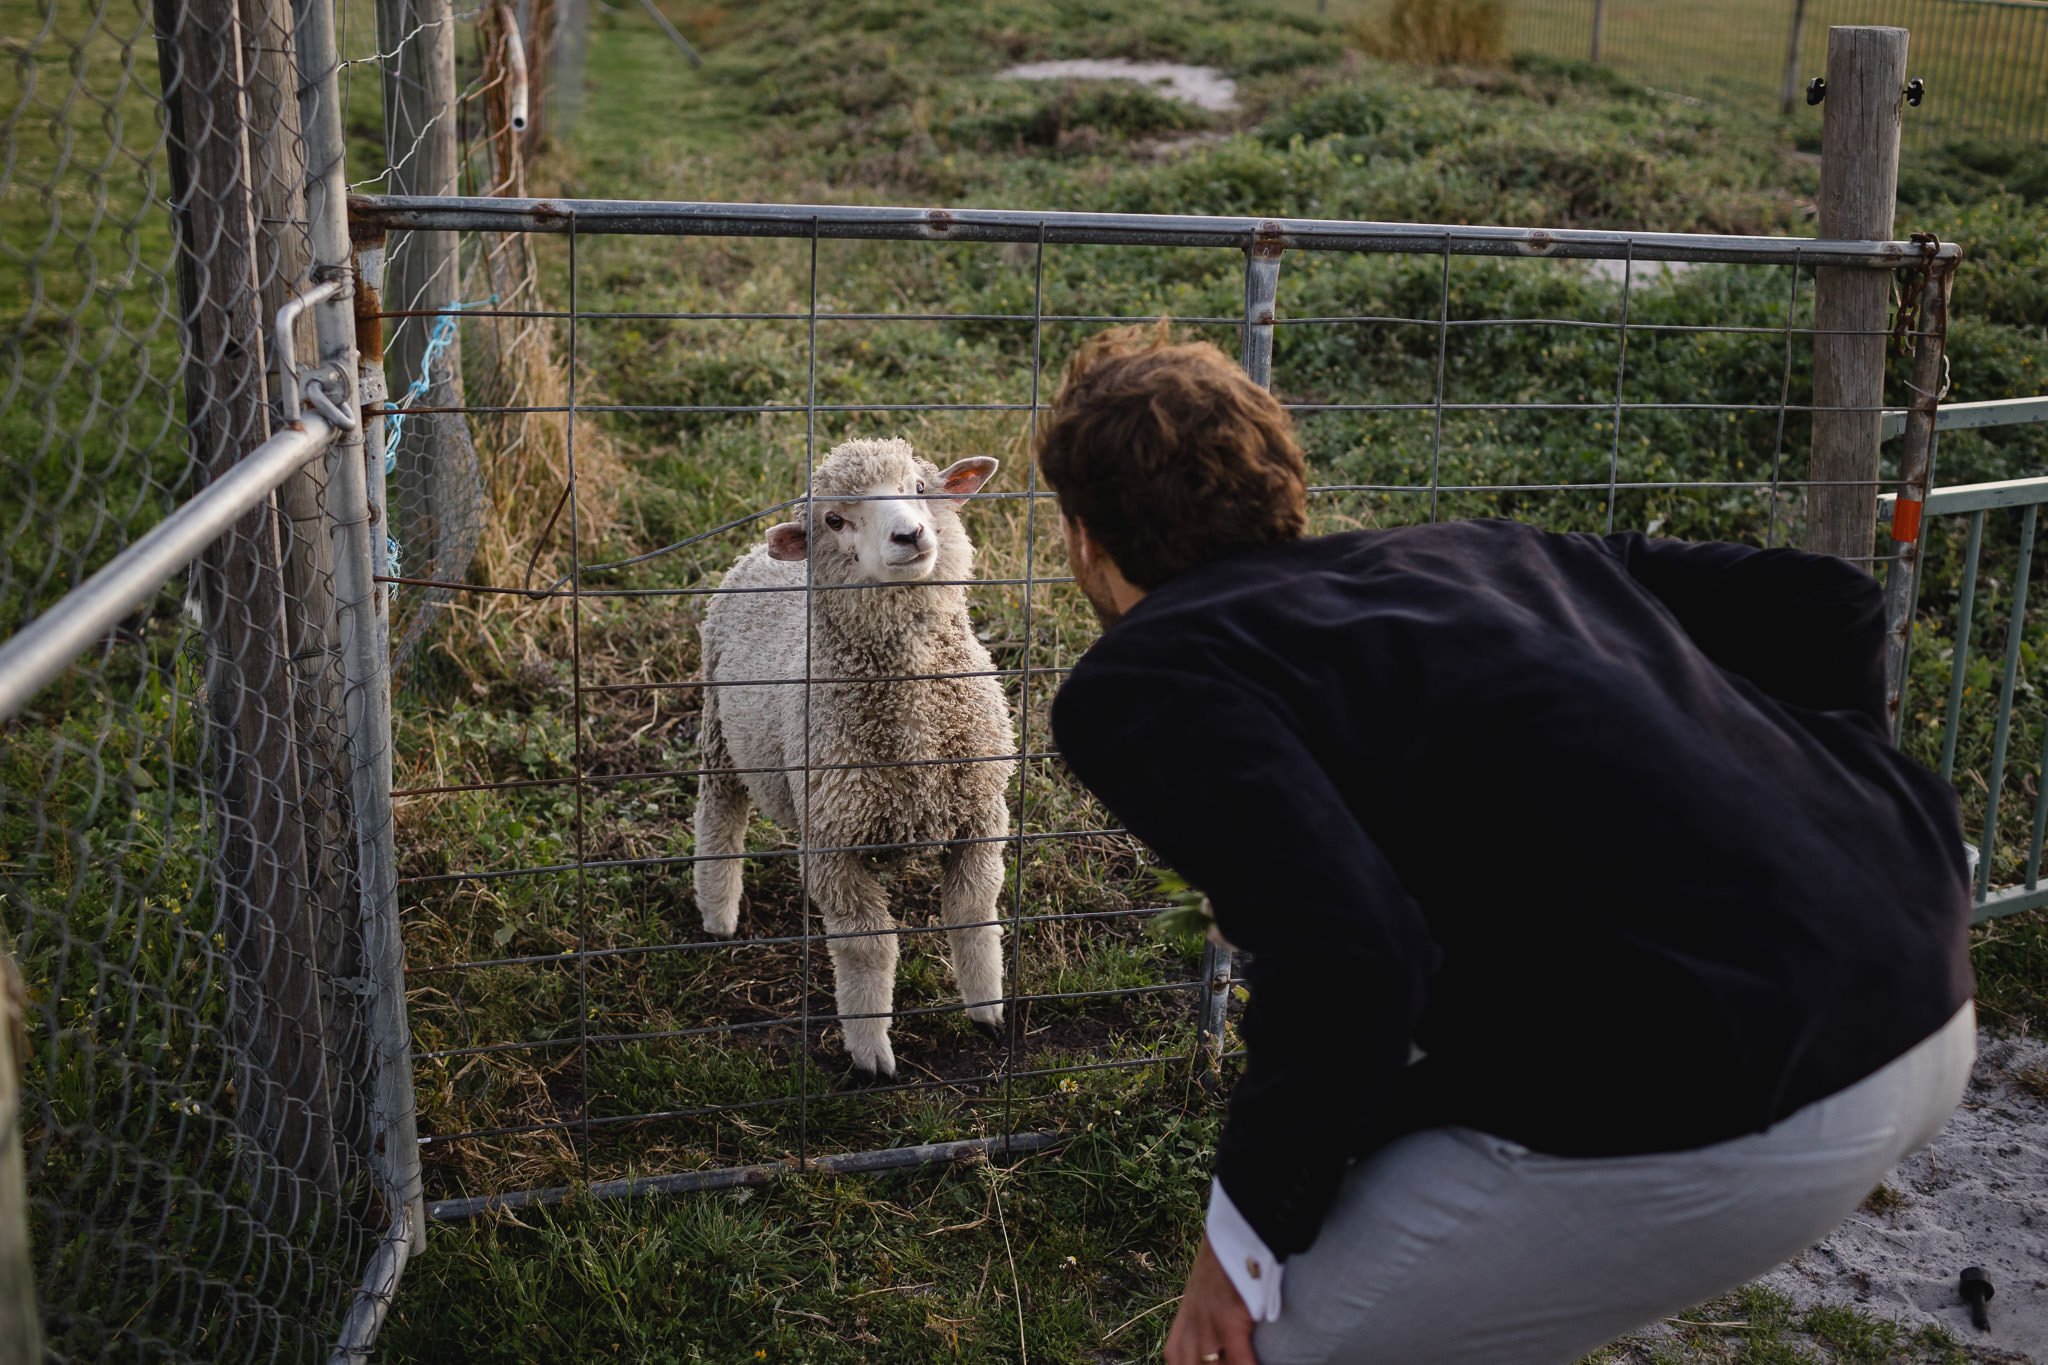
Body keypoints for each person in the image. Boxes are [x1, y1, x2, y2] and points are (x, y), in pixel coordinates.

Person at [1038, 324, 1976, 1365]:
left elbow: (1348, 960)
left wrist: (1234, 1250)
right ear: (1281, 485)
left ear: (1083, 537)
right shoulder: (1487, 553)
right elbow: (1825, 605)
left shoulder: (1144, 674)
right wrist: (1808, 839)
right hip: (1920, 986)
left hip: (1740, 1089)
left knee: (1256, 1354)